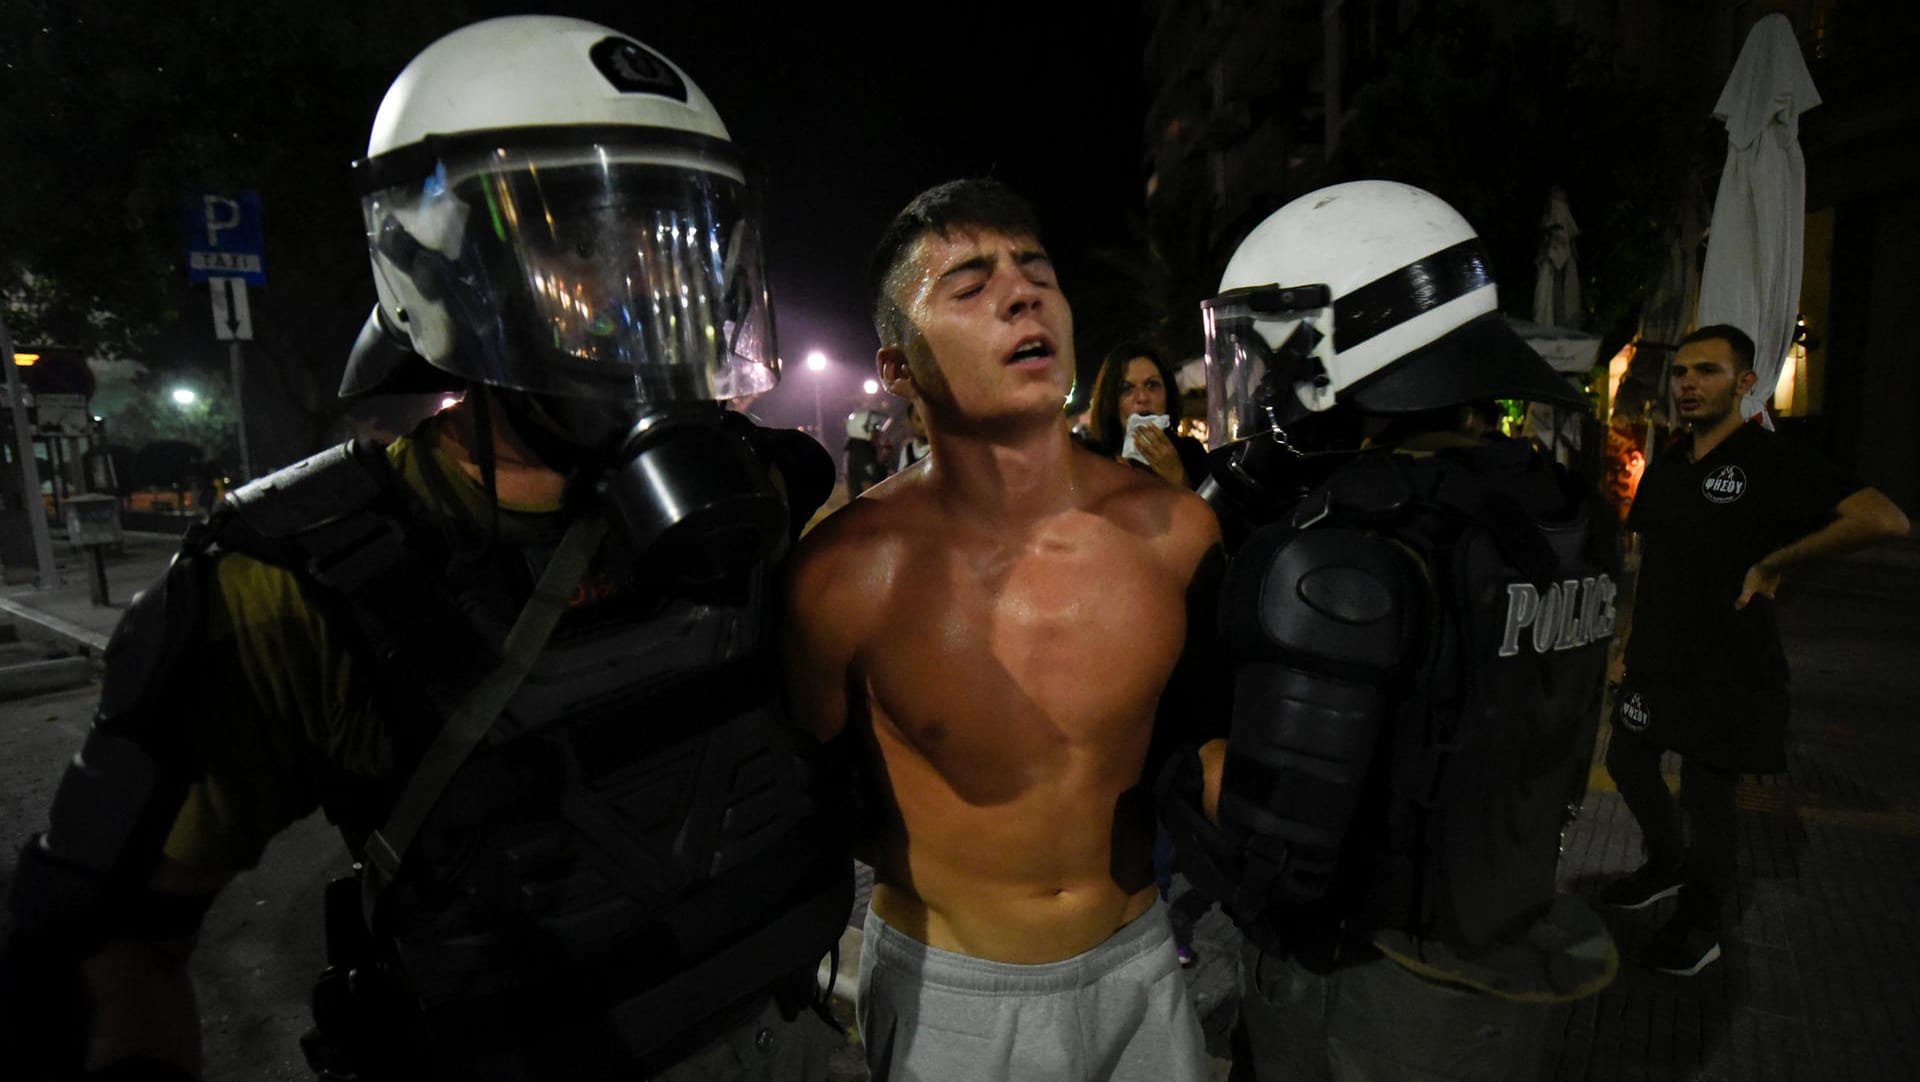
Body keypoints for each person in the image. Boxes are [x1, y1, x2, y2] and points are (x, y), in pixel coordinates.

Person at [0, 17, 852, 1082]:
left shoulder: (760, 488)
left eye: (671, 235)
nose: (639, 285)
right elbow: (99, 942)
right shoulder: (296, 579)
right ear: (437, 265)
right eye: (583, 239)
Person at [1158, 180, 1620, 1081]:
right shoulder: (1561, 507)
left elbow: (1268, 855)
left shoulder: (1348, 550)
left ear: (1352, 337)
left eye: (1276, 337)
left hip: (1367, 992)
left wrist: (1168, 757)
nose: (1262, 368)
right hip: (1501, 937)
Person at [781, 178, 1221, 1082]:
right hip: (955, 998)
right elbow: (811, 797)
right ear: (898, 369)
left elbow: (1208, 752)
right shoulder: (845, 576)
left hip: (1141, 964)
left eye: (1036, 271)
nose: (1024, 294)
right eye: (970, 286)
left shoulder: (1177, 532)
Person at [1600, 323, 1909, 976]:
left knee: (1709, 800)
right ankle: (1665, 863)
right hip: (1656, 657)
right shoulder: (1669, 466)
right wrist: (1627, 640)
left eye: (1706, 371)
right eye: (1682, 371)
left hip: (1730, 666)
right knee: (1629, 761)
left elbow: (1883, 517)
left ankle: (1701, 922)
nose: (1688, 383)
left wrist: (1775, 563)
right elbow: (1654, 560)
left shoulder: (1773, 459)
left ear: (1744, 383)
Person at [1086, 342, 1210, 489]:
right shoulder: (1093, 463)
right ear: (1110, 401)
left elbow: (1211, 508)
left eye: (1152, 384)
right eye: (1127, 388)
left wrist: (1178, 476)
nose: (1143, 397)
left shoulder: (1190, 454)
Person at [845, 404, 890, 499]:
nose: (879, 431)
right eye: (875, 427)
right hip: (867, 511)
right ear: (862, 429)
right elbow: (870, 490)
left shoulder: (859, 450)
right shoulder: (861, 453)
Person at [892, 398, 930, 472]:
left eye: (927, 418)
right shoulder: (907, 450)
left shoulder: (939, 447)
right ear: (911, 422)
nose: (924, 424)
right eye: (918, 419)